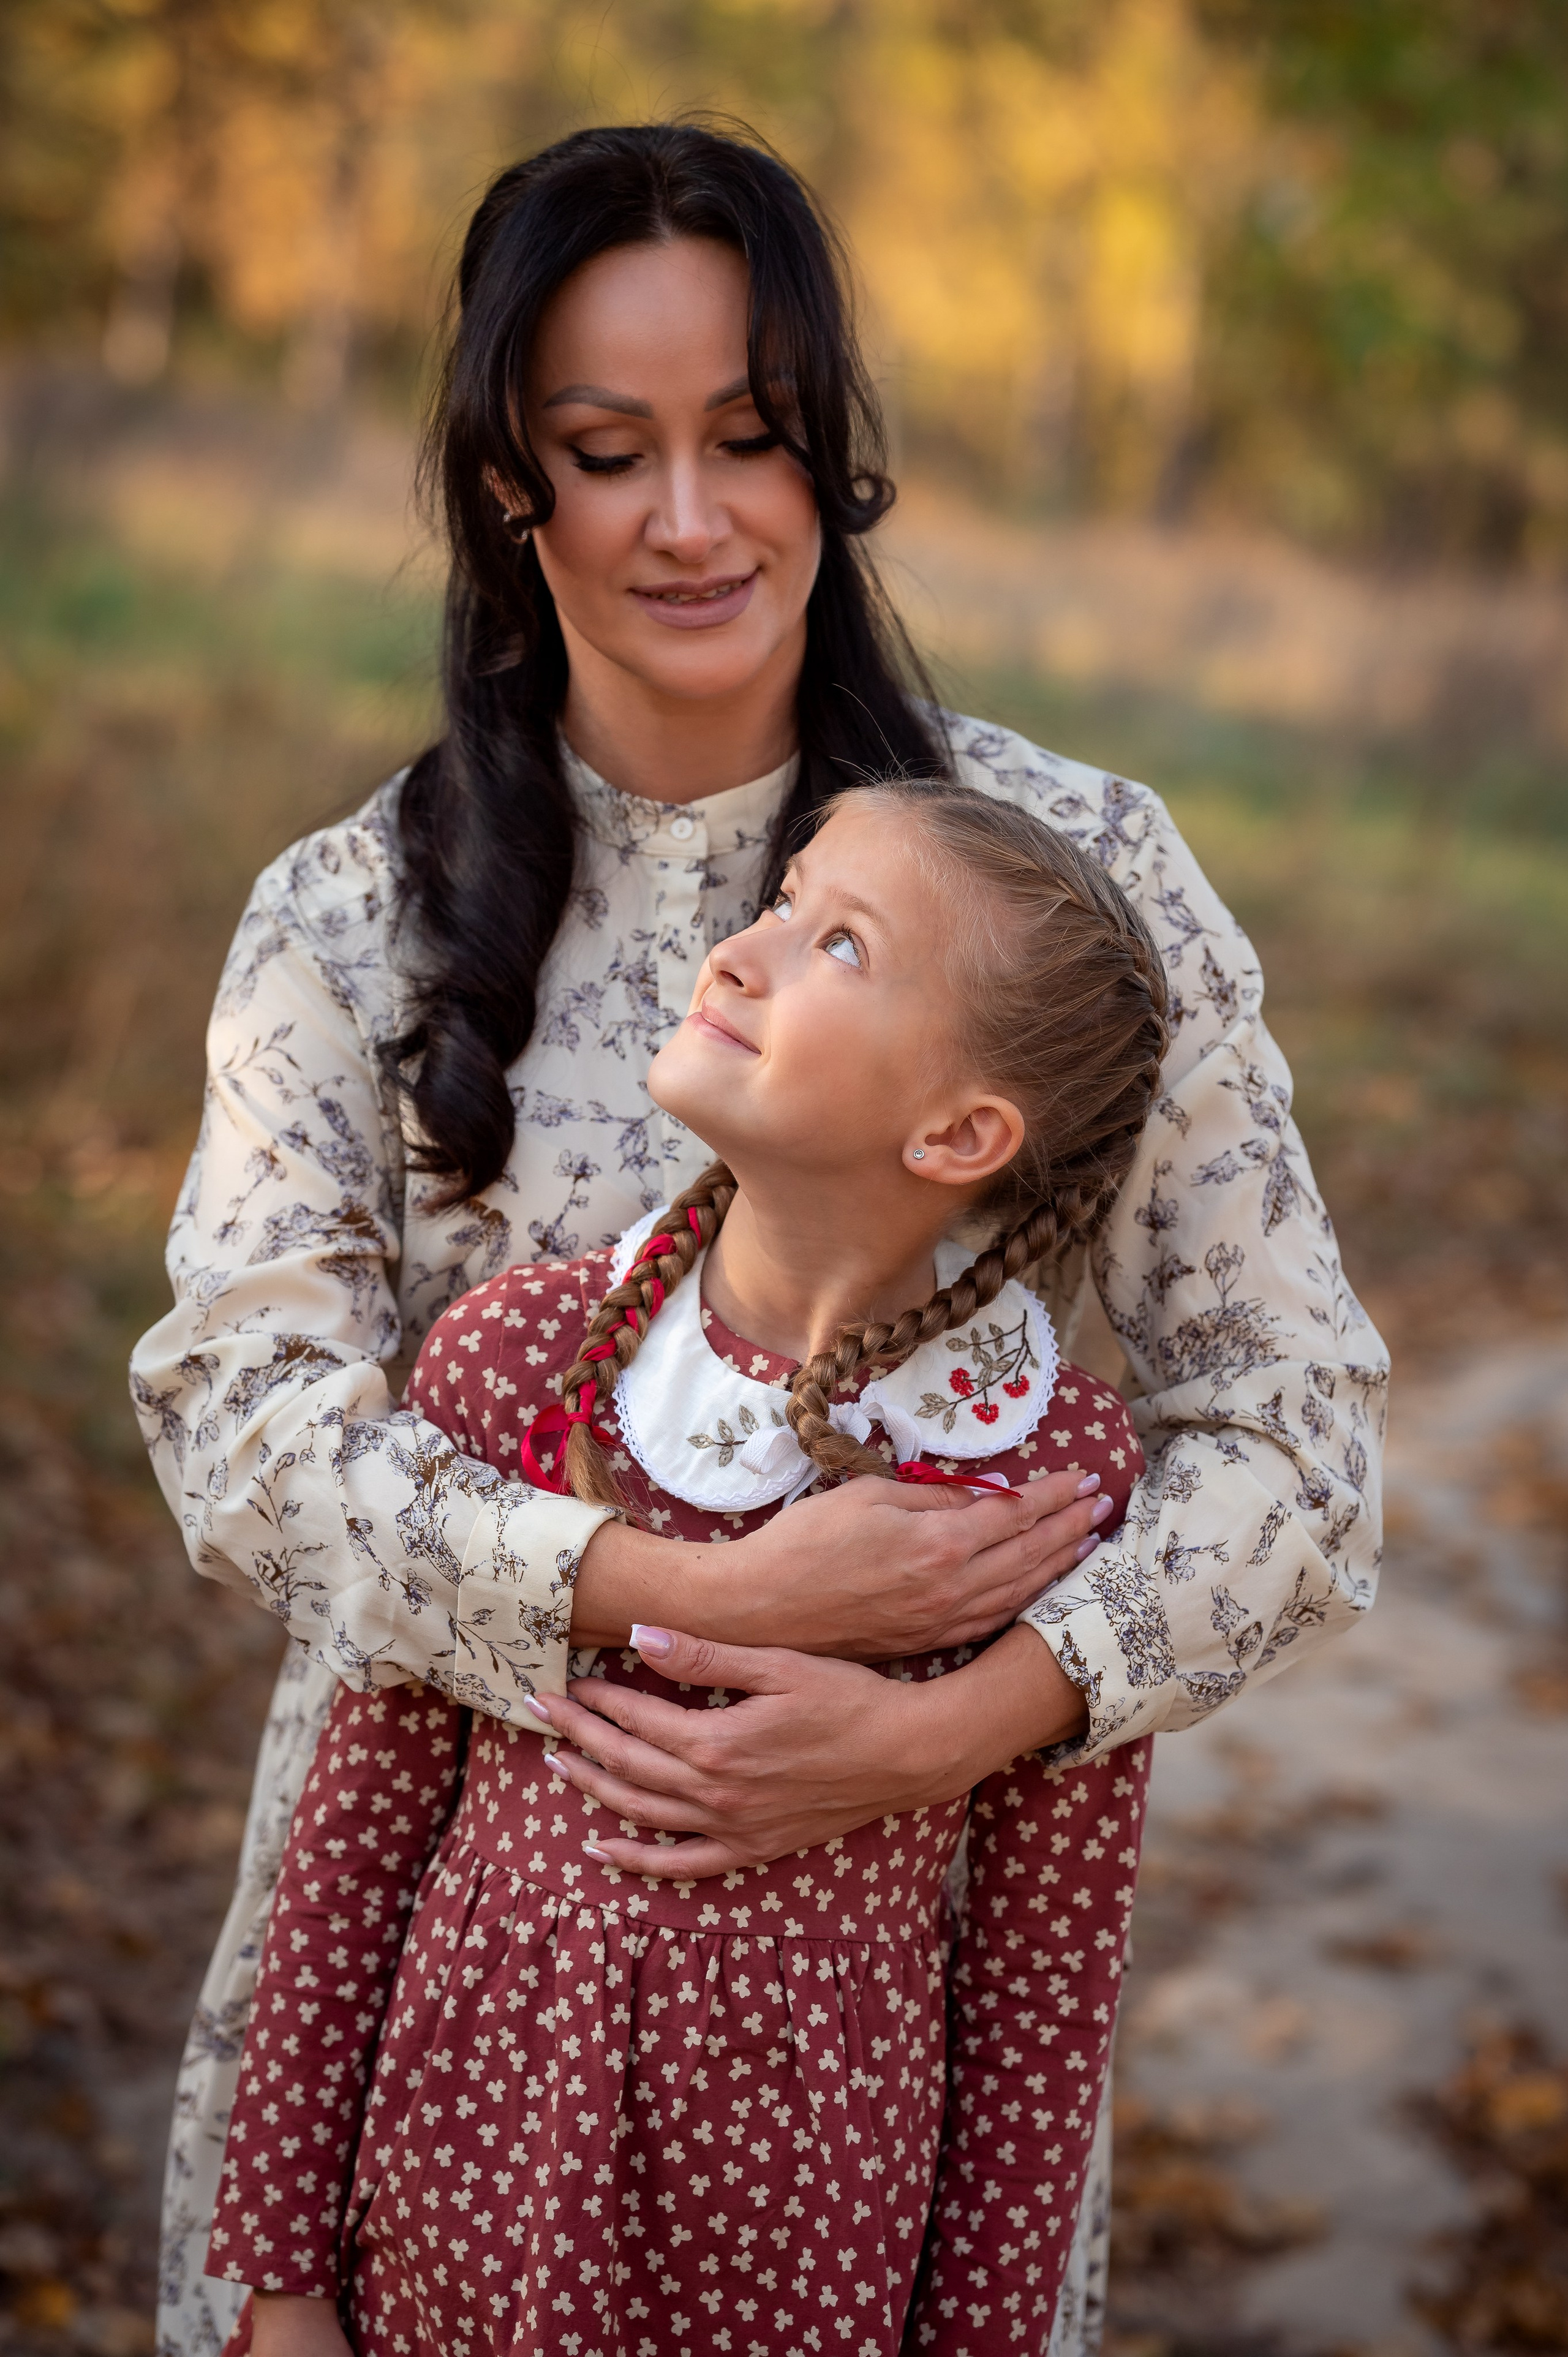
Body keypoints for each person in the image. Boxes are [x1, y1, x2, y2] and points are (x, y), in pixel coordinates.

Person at [130, 122, 1388, 2357]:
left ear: (839, 454)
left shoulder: (1073, 883)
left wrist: (961, 1720)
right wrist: (673, 1590)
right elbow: (245, 1428)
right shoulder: (351, 922)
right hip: (420, 2092)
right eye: (611, 453)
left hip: (862, 2151)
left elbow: (1296, 1438)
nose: (693, 520)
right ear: (508, 487)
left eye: (754, 436)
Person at [208, 782, 1164, 2357]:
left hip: (793, 2264)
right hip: (456, 2213)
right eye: (781, 900)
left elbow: (1040, 1985)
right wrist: (286, 2280)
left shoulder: (1034, 1479)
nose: (744, 951)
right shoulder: (518, 1362)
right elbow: (353, 1841)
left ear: (958, 1134)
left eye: (837, 943)